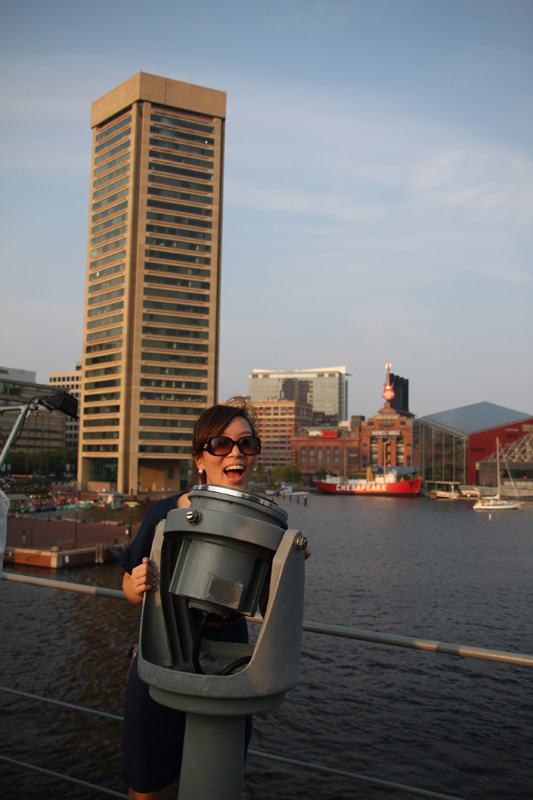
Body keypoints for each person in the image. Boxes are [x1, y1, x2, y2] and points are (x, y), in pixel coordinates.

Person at [118, 397, 264, 800]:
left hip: (230, 664)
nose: (236, 453)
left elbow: (267, 603)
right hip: (161, 655)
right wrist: (138, 583)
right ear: (199, 458)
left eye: (247, 443)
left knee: (218, 781)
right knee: (150, 785)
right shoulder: (164, 514)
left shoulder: (264, 524)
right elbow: (129, 586)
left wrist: (291, 564)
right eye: (221, 444)